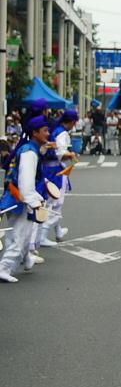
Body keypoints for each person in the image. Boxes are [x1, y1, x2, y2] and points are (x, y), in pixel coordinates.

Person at [0, 114, 49, 282]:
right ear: (35, 133)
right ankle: (4, 268)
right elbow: (26, 183)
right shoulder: (29, 152)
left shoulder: (30, 148)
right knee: (19, 235)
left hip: (16, 197)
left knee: (23, 235)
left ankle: (26, 259)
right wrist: (34, 202)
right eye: (45, 130)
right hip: (19, 198)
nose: (48, 133)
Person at [34, 109, 79, 248]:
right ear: (72, 122)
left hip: (49, 169)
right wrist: (71, 155)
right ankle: (42, 236)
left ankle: (57, 231)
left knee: (52, 201)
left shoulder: (56, 129)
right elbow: (60, 153)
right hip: (55, 170)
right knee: (56, 202)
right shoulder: (62, 133)